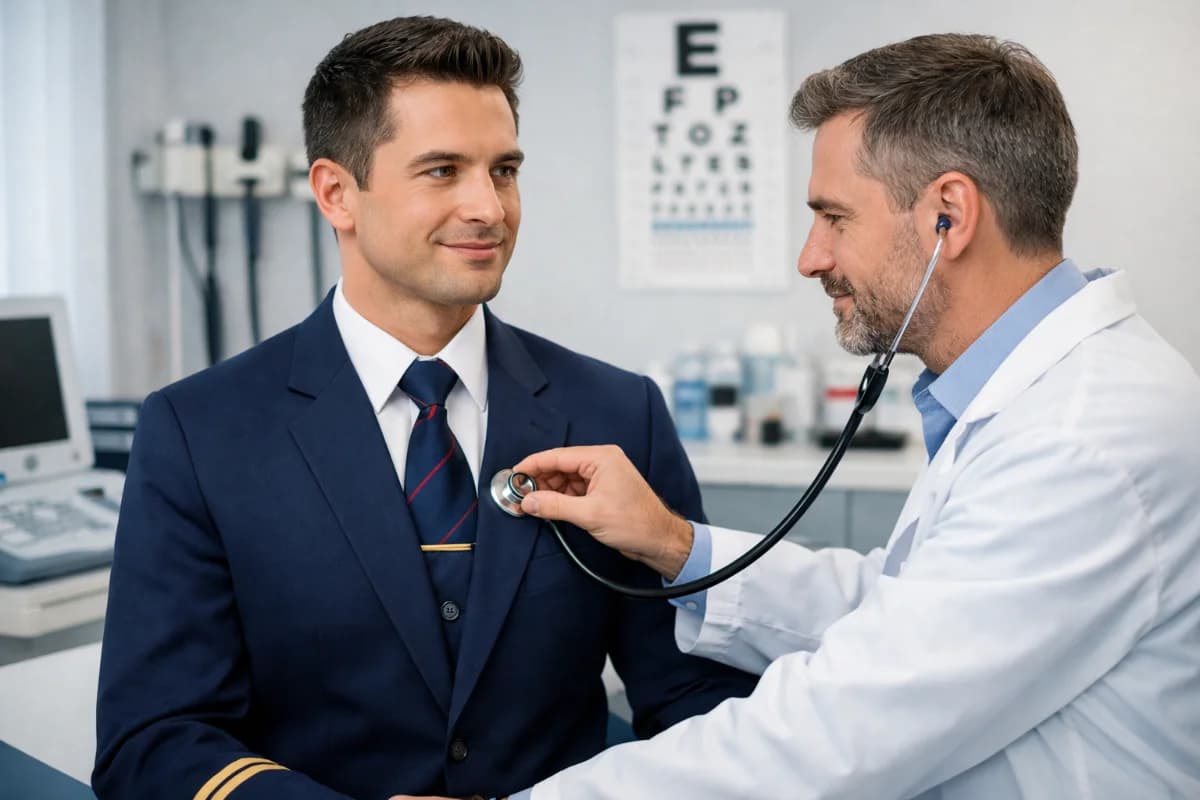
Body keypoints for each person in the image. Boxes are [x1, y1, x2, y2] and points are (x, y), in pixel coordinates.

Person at [487, 32, 1200, 799]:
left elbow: (835, 733)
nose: (811, 257)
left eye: (835, 217)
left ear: (948, 217)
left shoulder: (1080, 441)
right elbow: (904, 613)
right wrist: (676, 544)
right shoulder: (1043, 404)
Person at [91, 16, 756, 800]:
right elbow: (152, 739)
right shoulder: (200, 433)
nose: (489, 208)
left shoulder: (616, 412)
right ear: (337, 193)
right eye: (442, 171)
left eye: (503, 170)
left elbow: (692, 700)